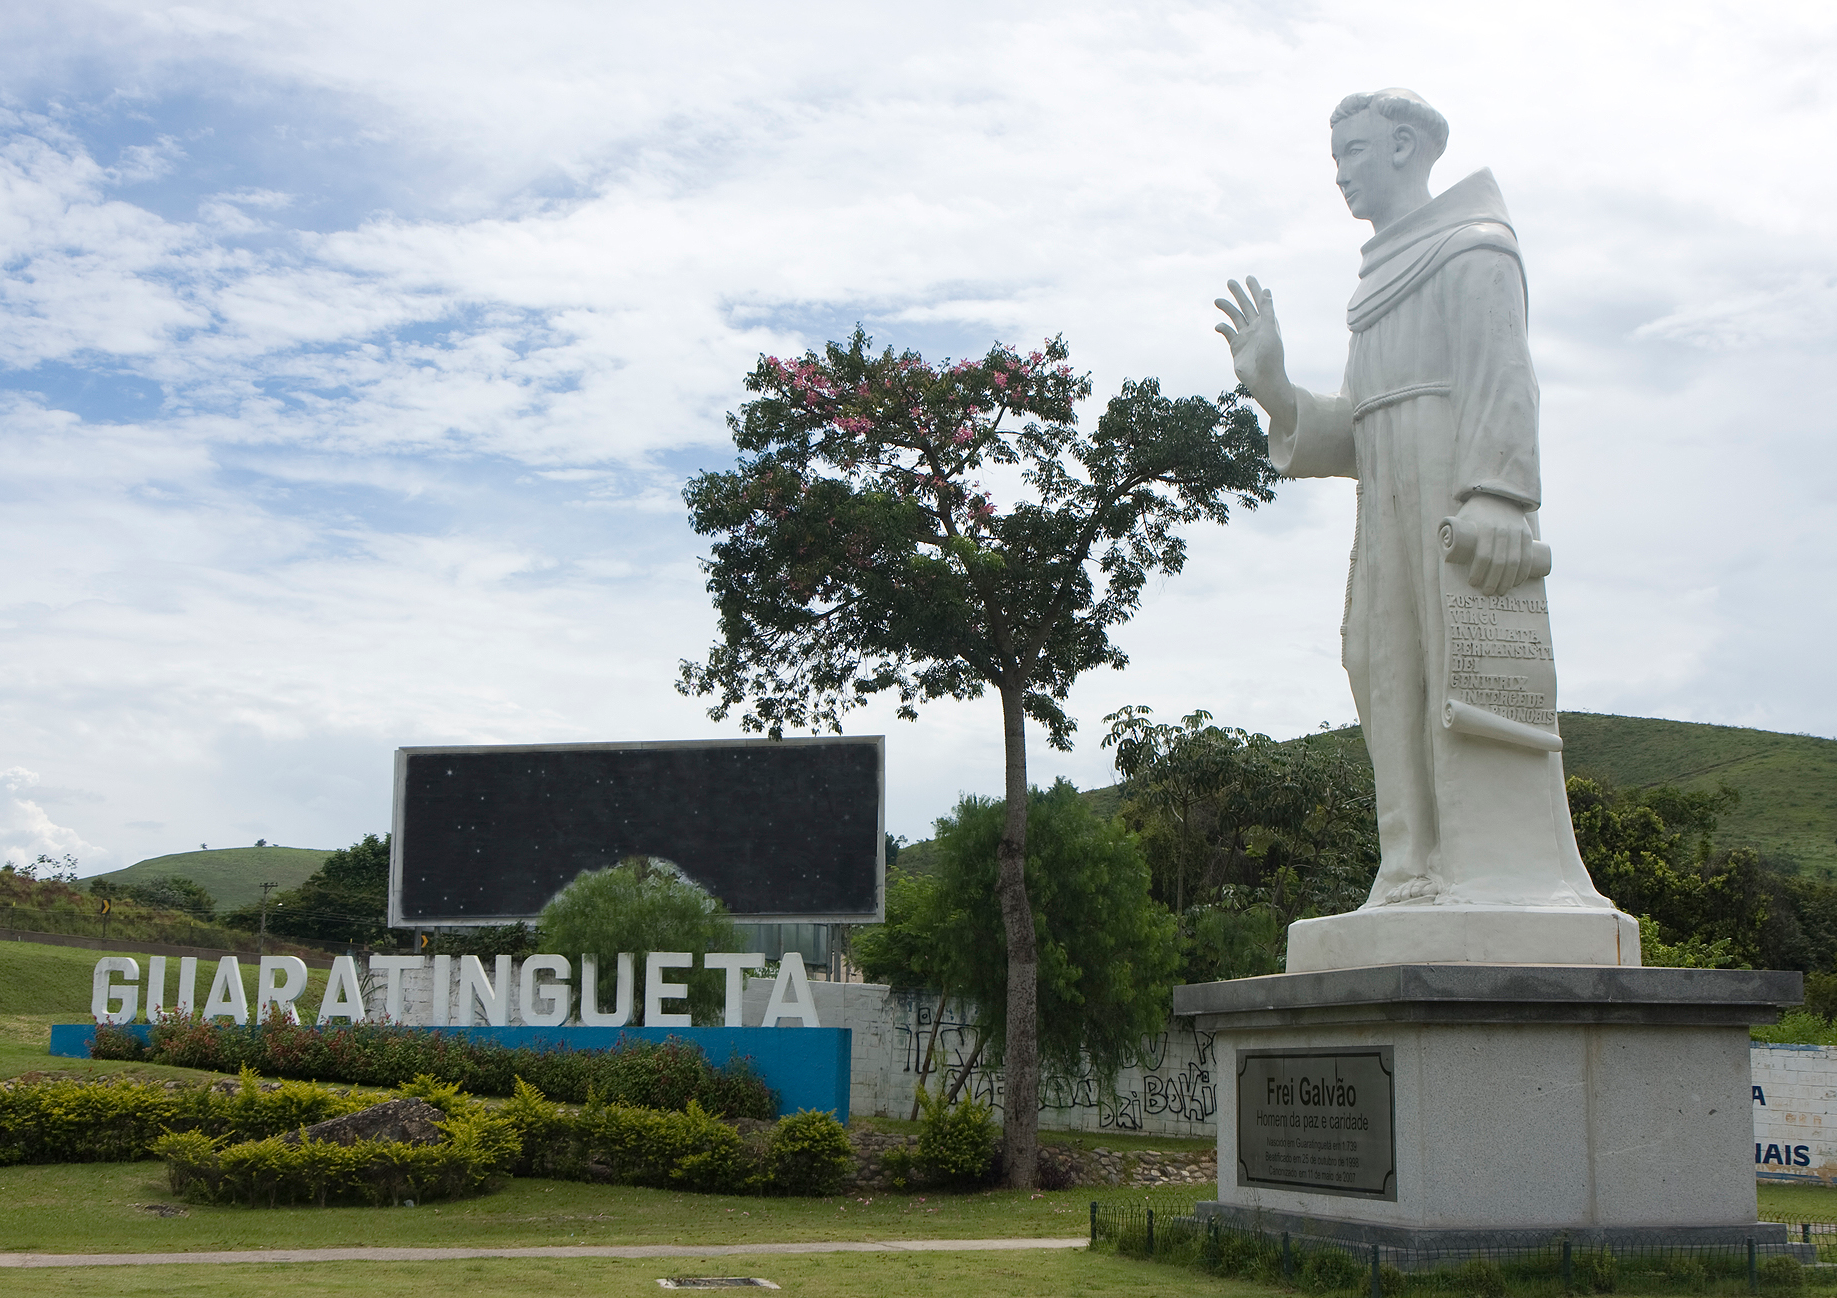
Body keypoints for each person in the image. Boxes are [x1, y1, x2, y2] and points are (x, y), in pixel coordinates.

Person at [1214, 89, 1614, 921]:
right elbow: (1355, 426)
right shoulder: (1380, 280)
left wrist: (1499, 496)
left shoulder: (1473, 248)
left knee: (1457, 676)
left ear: (1402, 145)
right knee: (1378, 661)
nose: (1340, 178)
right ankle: (1408, 868)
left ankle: (1493, 875)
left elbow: (1502, 376)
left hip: (1456, 504)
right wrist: (1277, 390)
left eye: (1351, 154)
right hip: (1385, 503)